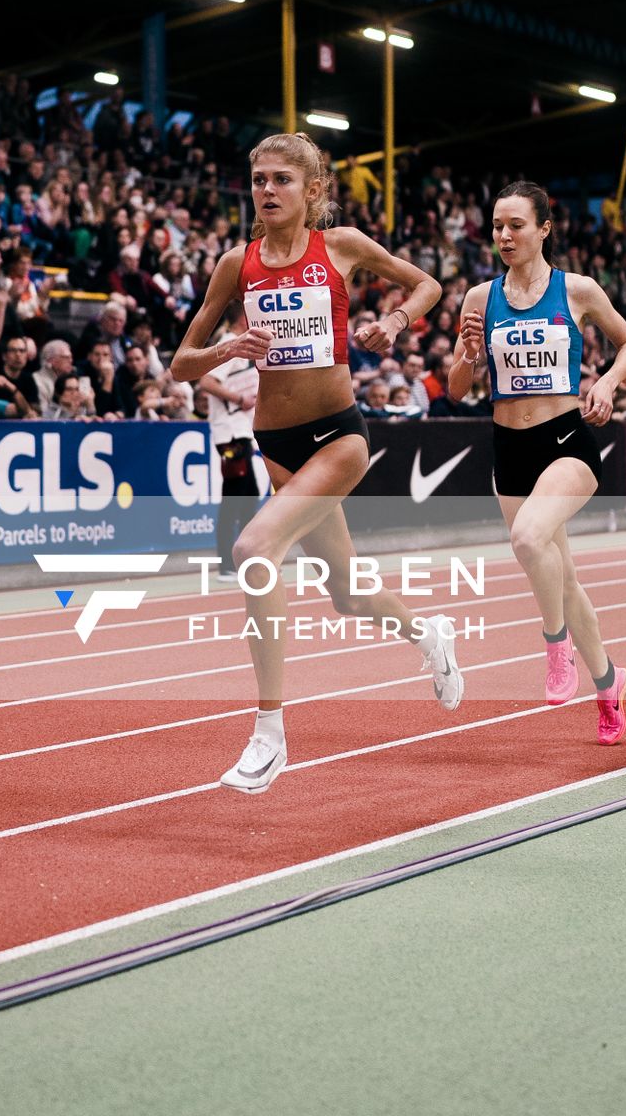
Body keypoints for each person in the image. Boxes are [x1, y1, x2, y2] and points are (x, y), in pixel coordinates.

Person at [172, 131, 458, 796]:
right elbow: (181, 361)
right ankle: (429, 634)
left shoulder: (343, 246)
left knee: (252, 547)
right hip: (275, 444)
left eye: (281, 180)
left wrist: (394, 322)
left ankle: (268, 733)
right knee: (348, 592)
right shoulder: (234, 264)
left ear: (312, 191)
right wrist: (226, 349)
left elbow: (427, 285)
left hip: (338, 436)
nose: (267, 191)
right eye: (259, 180)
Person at [450, 180, 626, 745]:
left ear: (544, 229)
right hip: (508, 450)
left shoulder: (576, 289)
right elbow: (460, 388)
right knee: (568, 578)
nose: (504, 235)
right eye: (497, 226)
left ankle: (557, 649)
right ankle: (609, 683)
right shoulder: (480, 298)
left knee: (530, 539)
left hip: (566, 443)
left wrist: (605, 381)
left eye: (516, 225)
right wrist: (467, 353)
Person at [197, 311, 261, 578]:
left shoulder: (243, 346)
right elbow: (206, 382)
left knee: (249, 499)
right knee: (234, 500)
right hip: (230, 437)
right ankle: (227, 564)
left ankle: (243, 560)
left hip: (242, 433)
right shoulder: (229, 342)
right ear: (243, 318)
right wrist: (238, 398)